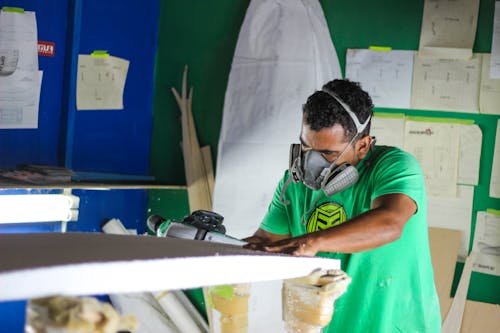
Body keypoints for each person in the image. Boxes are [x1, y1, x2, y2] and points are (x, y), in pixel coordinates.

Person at [244, 79, 441, 332]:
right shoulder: (293, 184)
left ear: (362, 145)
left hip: (395, 326)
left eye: (327, 153)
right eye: (305, 147)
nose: (311, 162)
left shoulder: (394, 166)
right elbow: (265, 244)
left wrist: (314, 241)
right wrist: (208, 245)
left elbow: (390, 223)